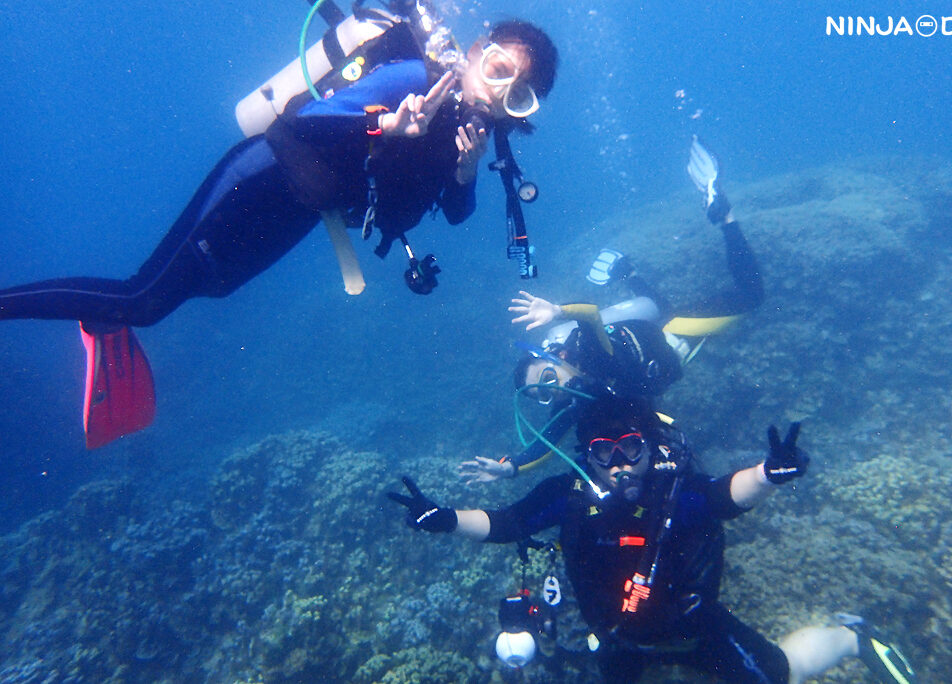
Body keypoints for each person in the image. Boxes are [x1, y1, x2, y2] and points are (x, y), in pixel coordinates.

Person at [0, 11, 558, 447]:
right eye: (498, 70)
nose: (497, 93)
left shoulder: (472, 136)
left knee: (213, 285)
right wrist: (389, 122)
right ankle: (88, 310)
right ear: (475, 54)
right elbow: (307, 118)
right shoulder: (415, 78)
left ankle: (104, 319)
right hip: (262, 176)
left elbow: (456, 213)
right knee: (145, 299)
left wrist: (465, 170)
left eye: (517, 94)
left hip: (300, 208)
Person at [391, 397, 916, 684]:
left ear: (651, 447)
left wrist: (767, 474)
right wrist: (445, 518)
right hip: (617, 636)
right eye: (604, 452)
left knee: (781, 674)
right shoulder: (567, 495)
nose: (619, 464)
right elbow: (508, 523)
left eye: (631, 448)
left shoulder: (673, 493)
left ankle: (853, 638)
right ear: (586, 456)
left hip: (693, 627)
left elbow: (722, 496)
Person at [459, 137, 763, 483]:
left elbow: (589, 316)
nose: (552, 390)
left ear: (556, 356)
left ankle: (724, 215)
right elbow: (546, 443)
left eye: (547, 378)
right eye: (543, 395)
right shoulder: (574, 400)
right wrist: (509, 467)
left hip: (674, 334)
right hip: (654, 347)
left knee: (751, 296)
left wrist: (558, 311)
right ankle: (629, 274)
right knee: (663, 308)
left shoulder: (586, 350)